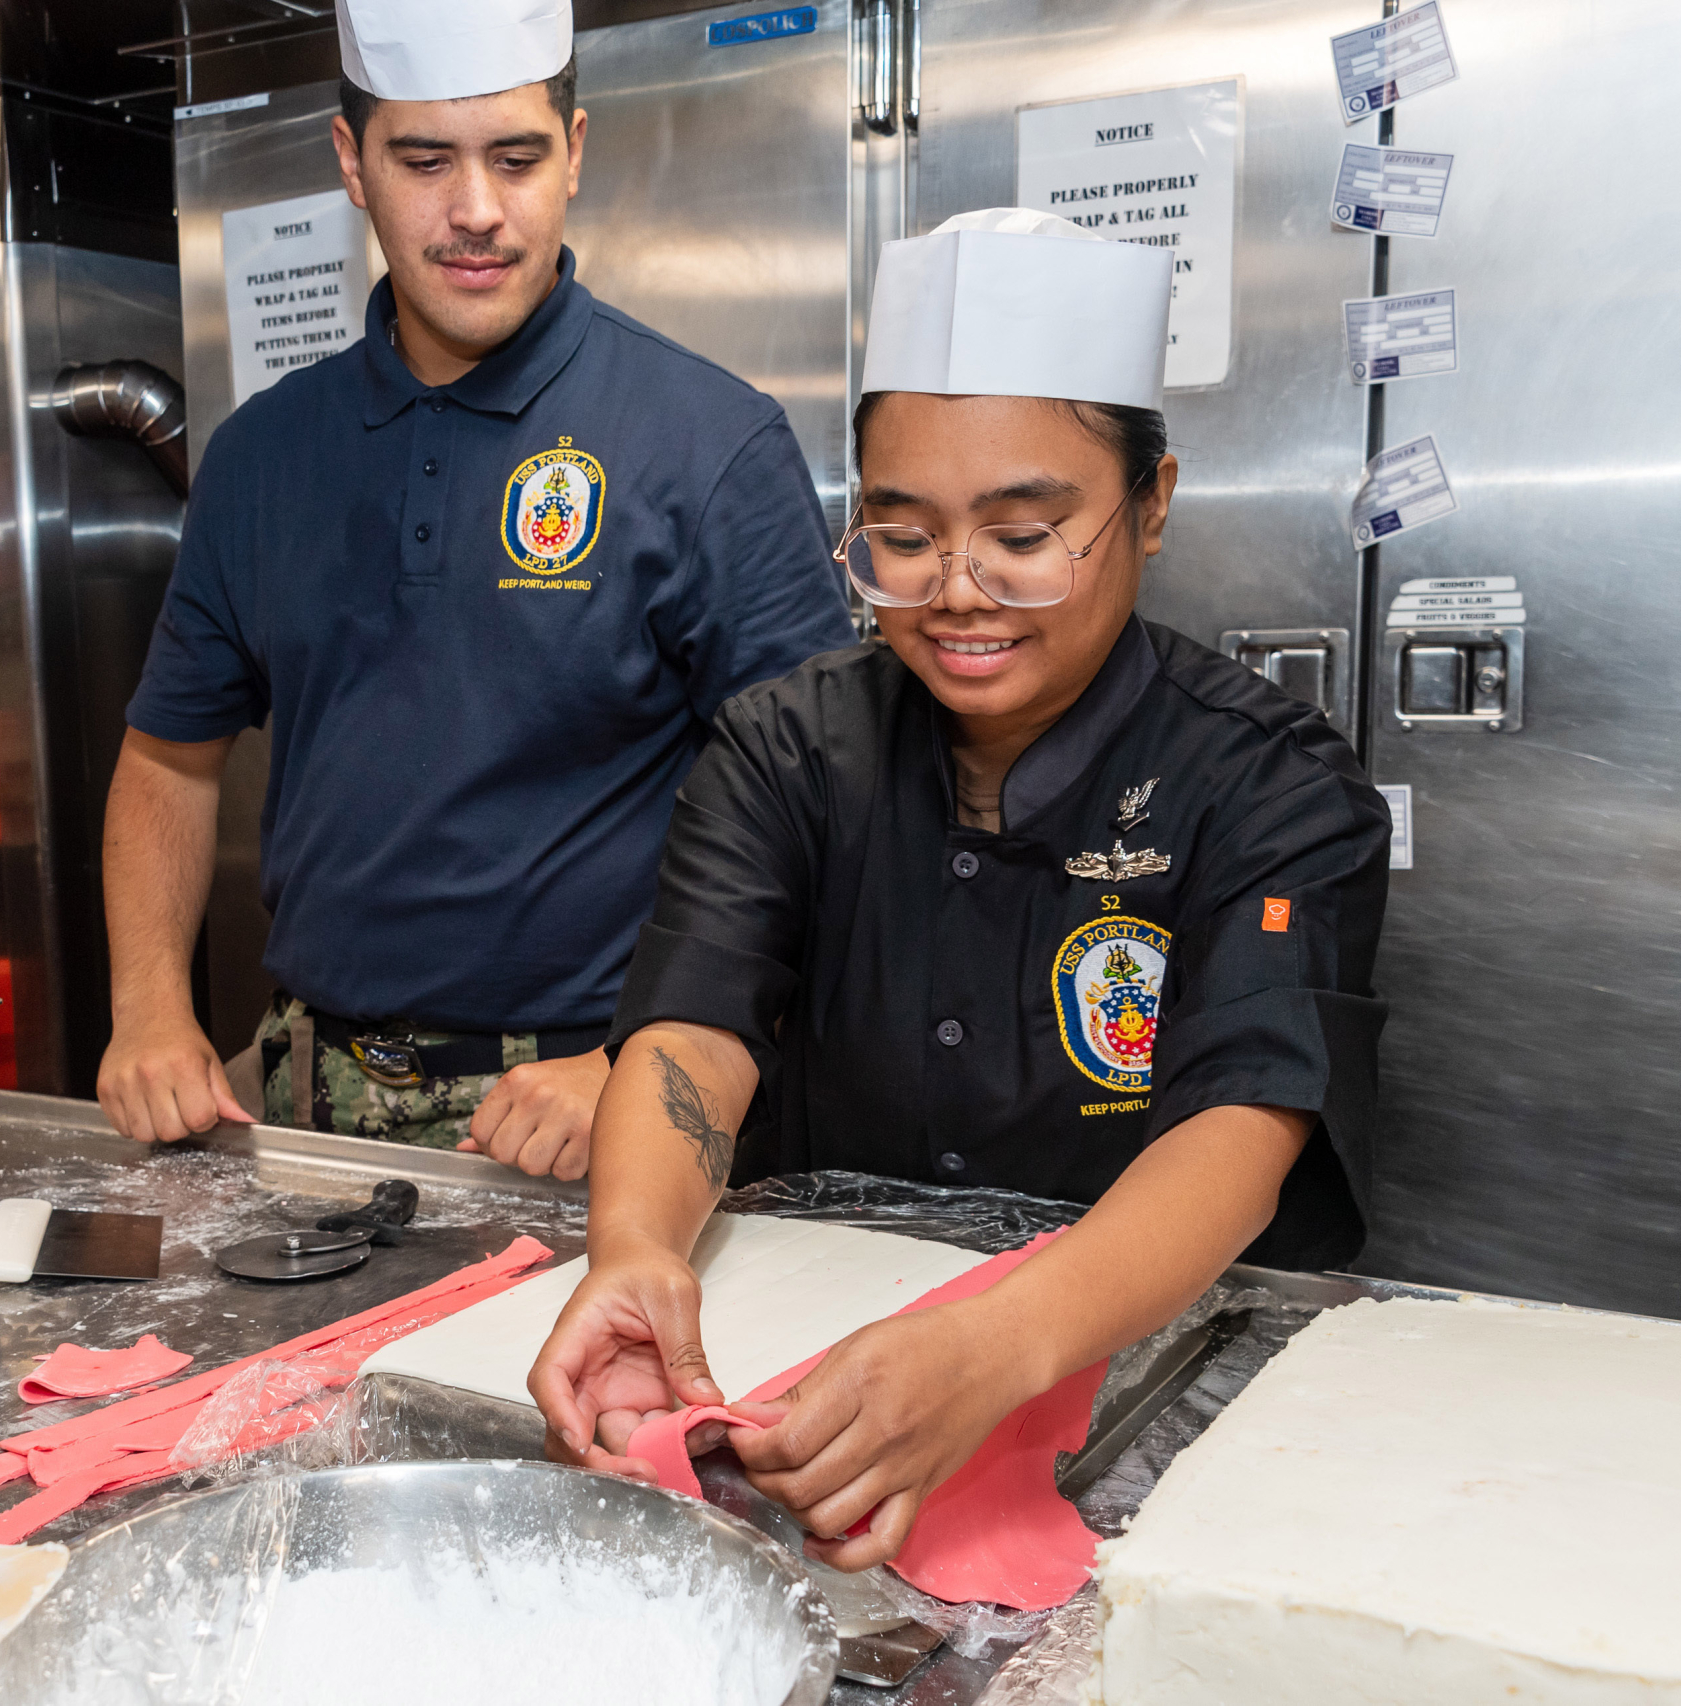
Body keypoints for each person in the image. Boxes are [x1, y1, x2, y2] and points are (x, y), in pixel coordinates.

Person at [527, 208, 1390, 1569]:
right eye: (902, 536)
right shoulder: (786, 745)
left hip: (1157, 1379)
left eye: (1026, 535)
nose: (958, 595)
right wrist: (634, 1245)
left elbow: (1245, 1118)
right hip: (825, 1345)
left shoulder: (1270, 783)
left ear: (1152, 504)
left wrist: (991, 1346)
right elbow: (696, 1025)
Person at [97, 0, 855, 1175]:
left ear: (576, 152)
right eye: (422, 159)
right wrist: (148, 1004)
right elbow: (167, 757)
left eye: (516, 157)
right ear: (351, 163)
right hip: (302, 1111)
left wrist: (645, 1065)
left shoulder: (706, 442)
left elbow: (818, 814)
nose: (476, 212)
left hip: (581, 1112)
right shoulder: (260, 456)